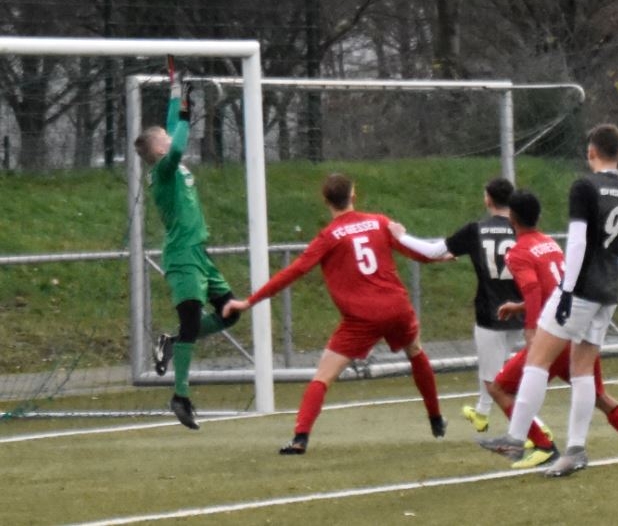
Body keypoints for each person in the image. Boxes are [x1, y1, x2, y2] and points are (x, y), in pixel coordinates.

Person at [221, 174, 444, 454]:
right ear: (353, 195)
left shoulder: (328, 237)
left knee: (323, 377)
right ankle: (436, 419)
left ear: (325, 201)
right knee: (415, 352)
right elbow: (415, 251)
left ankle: (300, 437)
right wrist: (443, 255)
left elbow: (294, 271)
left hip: (361, 318)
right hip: (396, 307)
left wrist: (249, 302)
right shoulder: (379, 222)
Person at [492, 124, 618, 476]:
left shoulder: (585, 186)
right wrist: (613, 268)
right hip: (607, 292)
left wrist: (567, 289)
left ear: (591, 152)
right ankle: (575, 450)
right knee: (582, 372)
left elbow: (579, 242)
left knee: (538, 358)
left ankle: (516, 437)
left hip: (580, 289)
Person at [134, 78, 240, 430]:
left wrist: (177, 92)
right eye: (165, 138)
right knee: (192, 320)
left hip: (199, 253)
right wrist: (184, 112)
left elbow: (174, 133)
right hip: (181, 256)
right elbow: (178, 142)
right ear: (159, 150)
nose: (171, 137)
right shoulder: (163, 170)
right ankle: (180, 395)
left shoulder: (169, 164)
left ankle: (173, 341)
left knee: (229, 311)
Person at [389, 178, 524, 435]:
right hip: (520, 308)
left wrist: (401, 236)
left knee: (494, 378)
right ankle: (482, 412)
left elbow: (432, 251)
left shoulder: (476, 229)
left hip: (490, 311)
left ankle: (533, 429)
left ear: (488, 199)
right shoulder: (522, 228)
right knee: (495, 368)